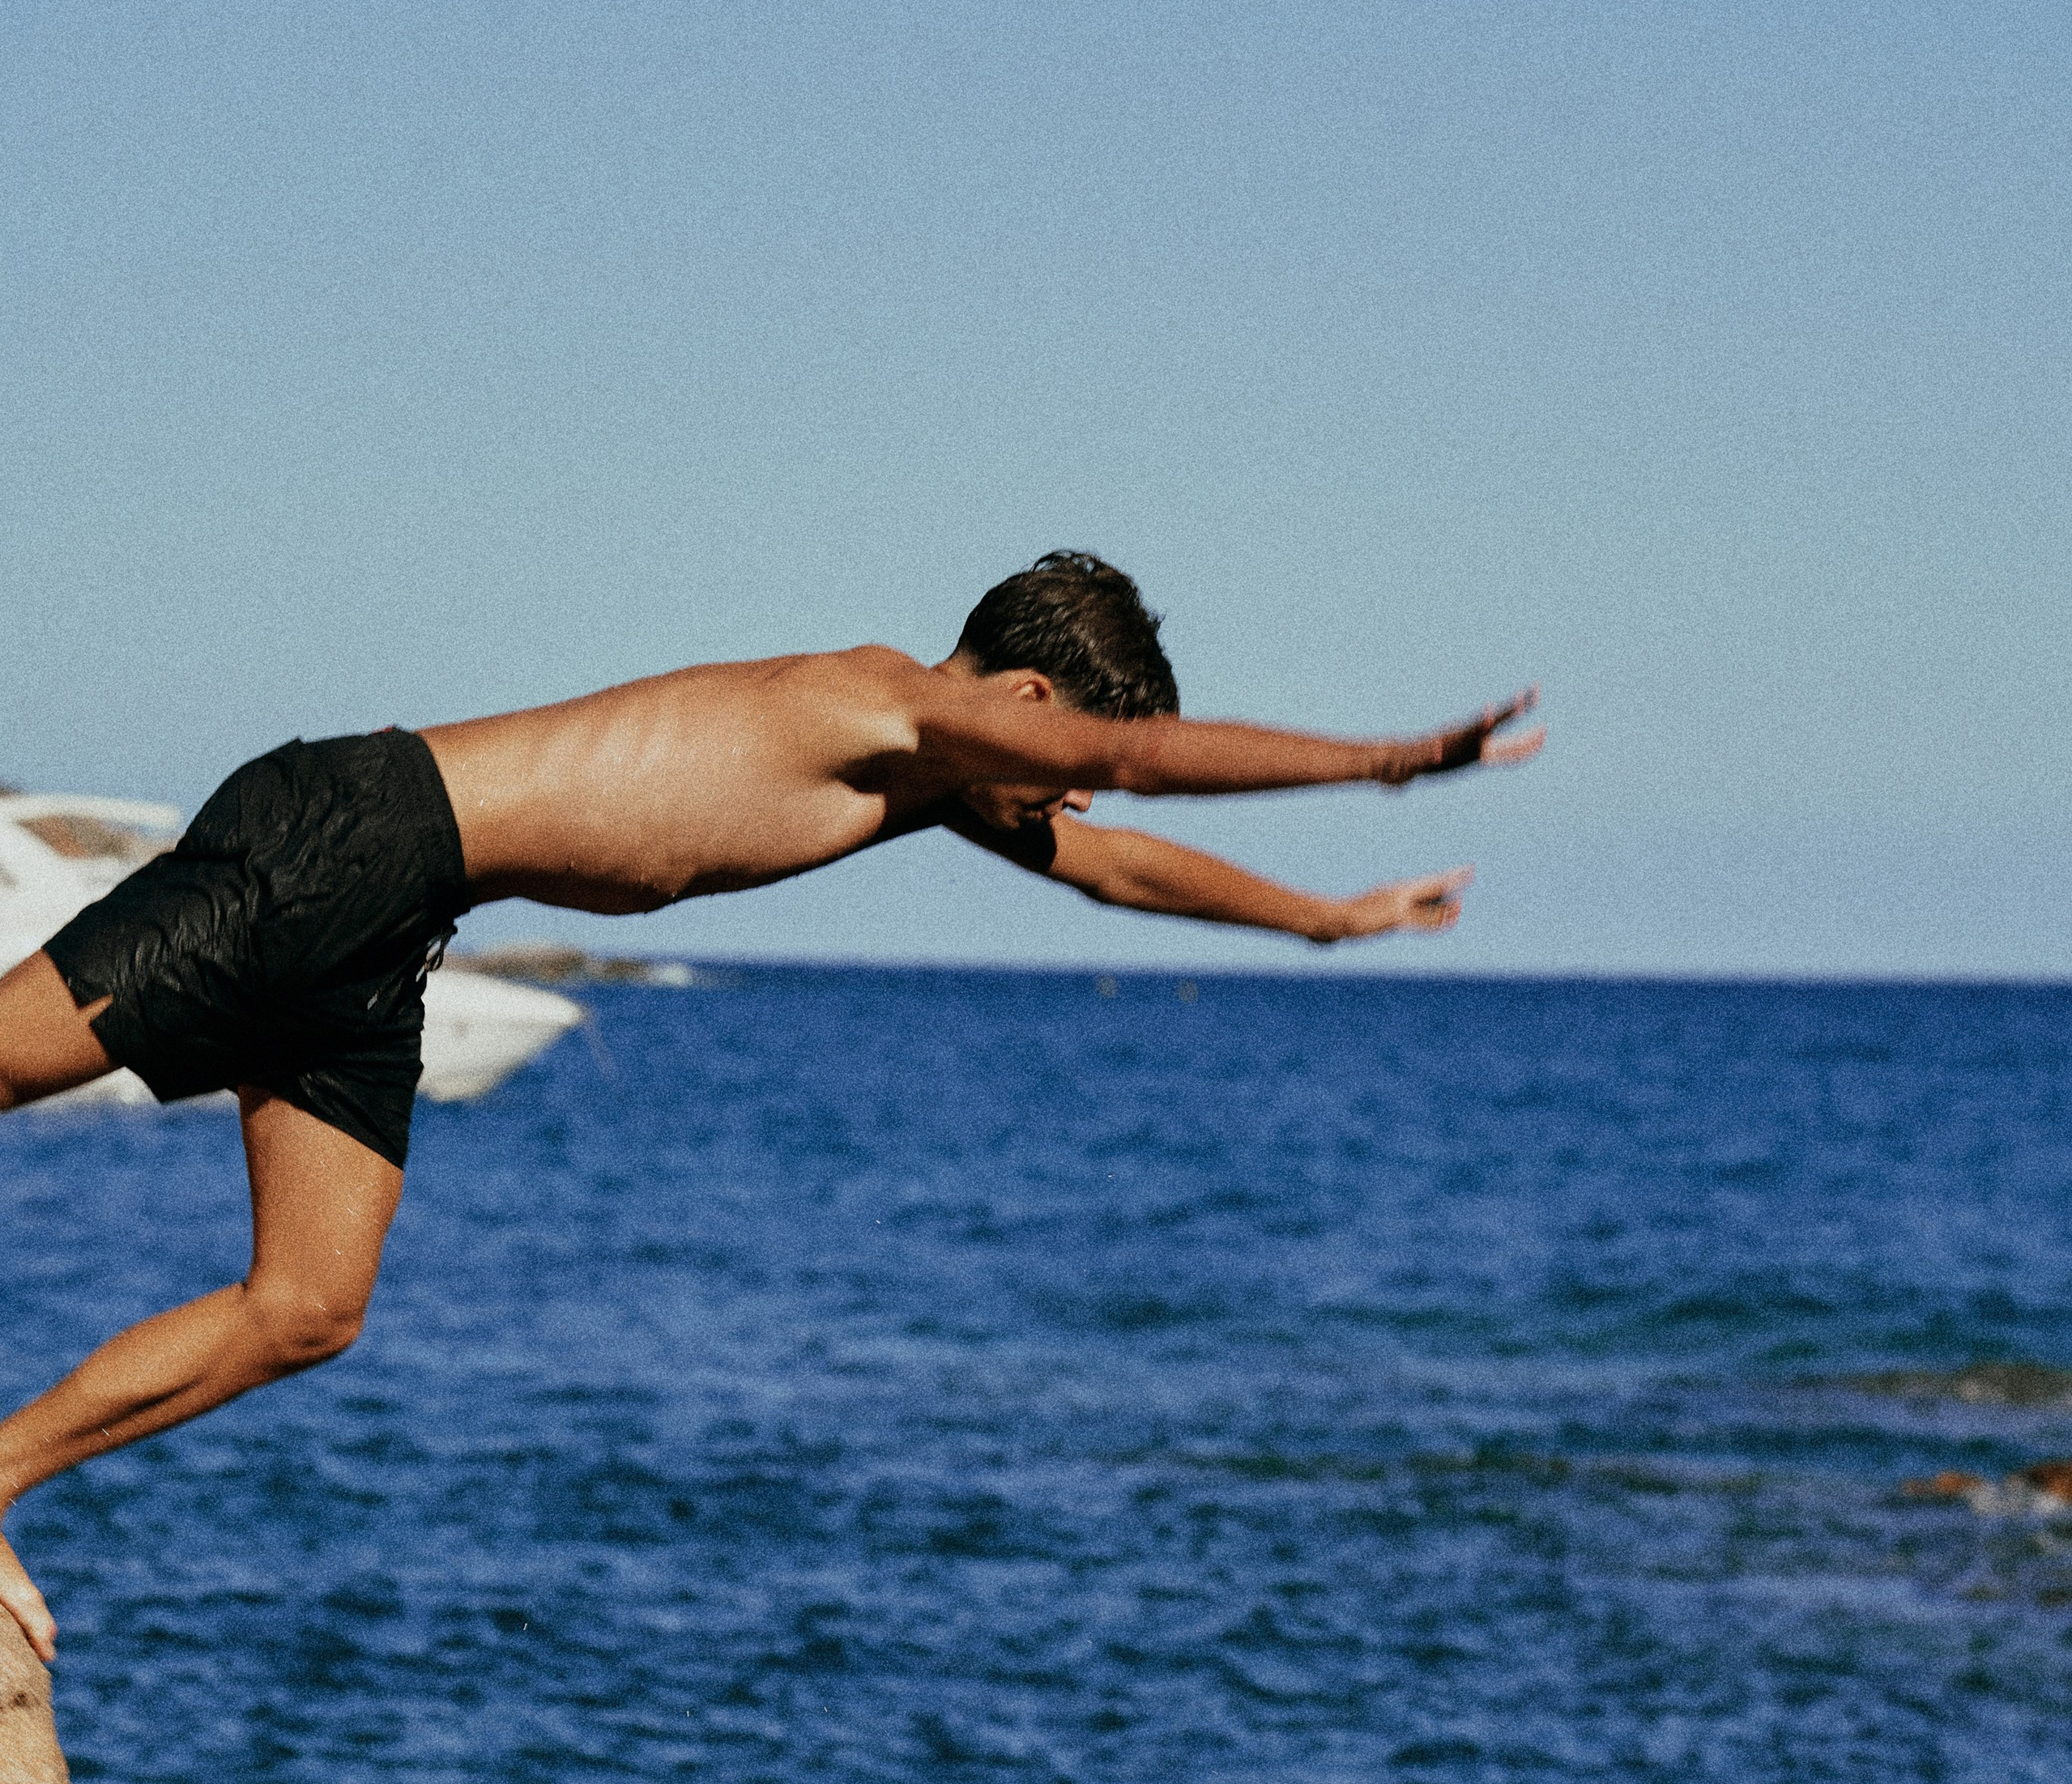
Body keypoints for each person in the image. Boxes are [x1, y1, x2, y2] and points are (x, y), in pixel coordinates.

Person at [0, 552, 1541, 1660]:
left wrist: (1329, 922)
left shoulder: (936, 781)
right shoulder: (884, 707)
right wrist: (1391, 764)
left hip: (402, 916)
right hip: (352, 833)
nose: (1071, 799)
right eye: (1059, 760)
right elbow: (1133, 774)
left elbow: (1119, 863)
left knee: (310, 1306)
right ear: (1018, 698)